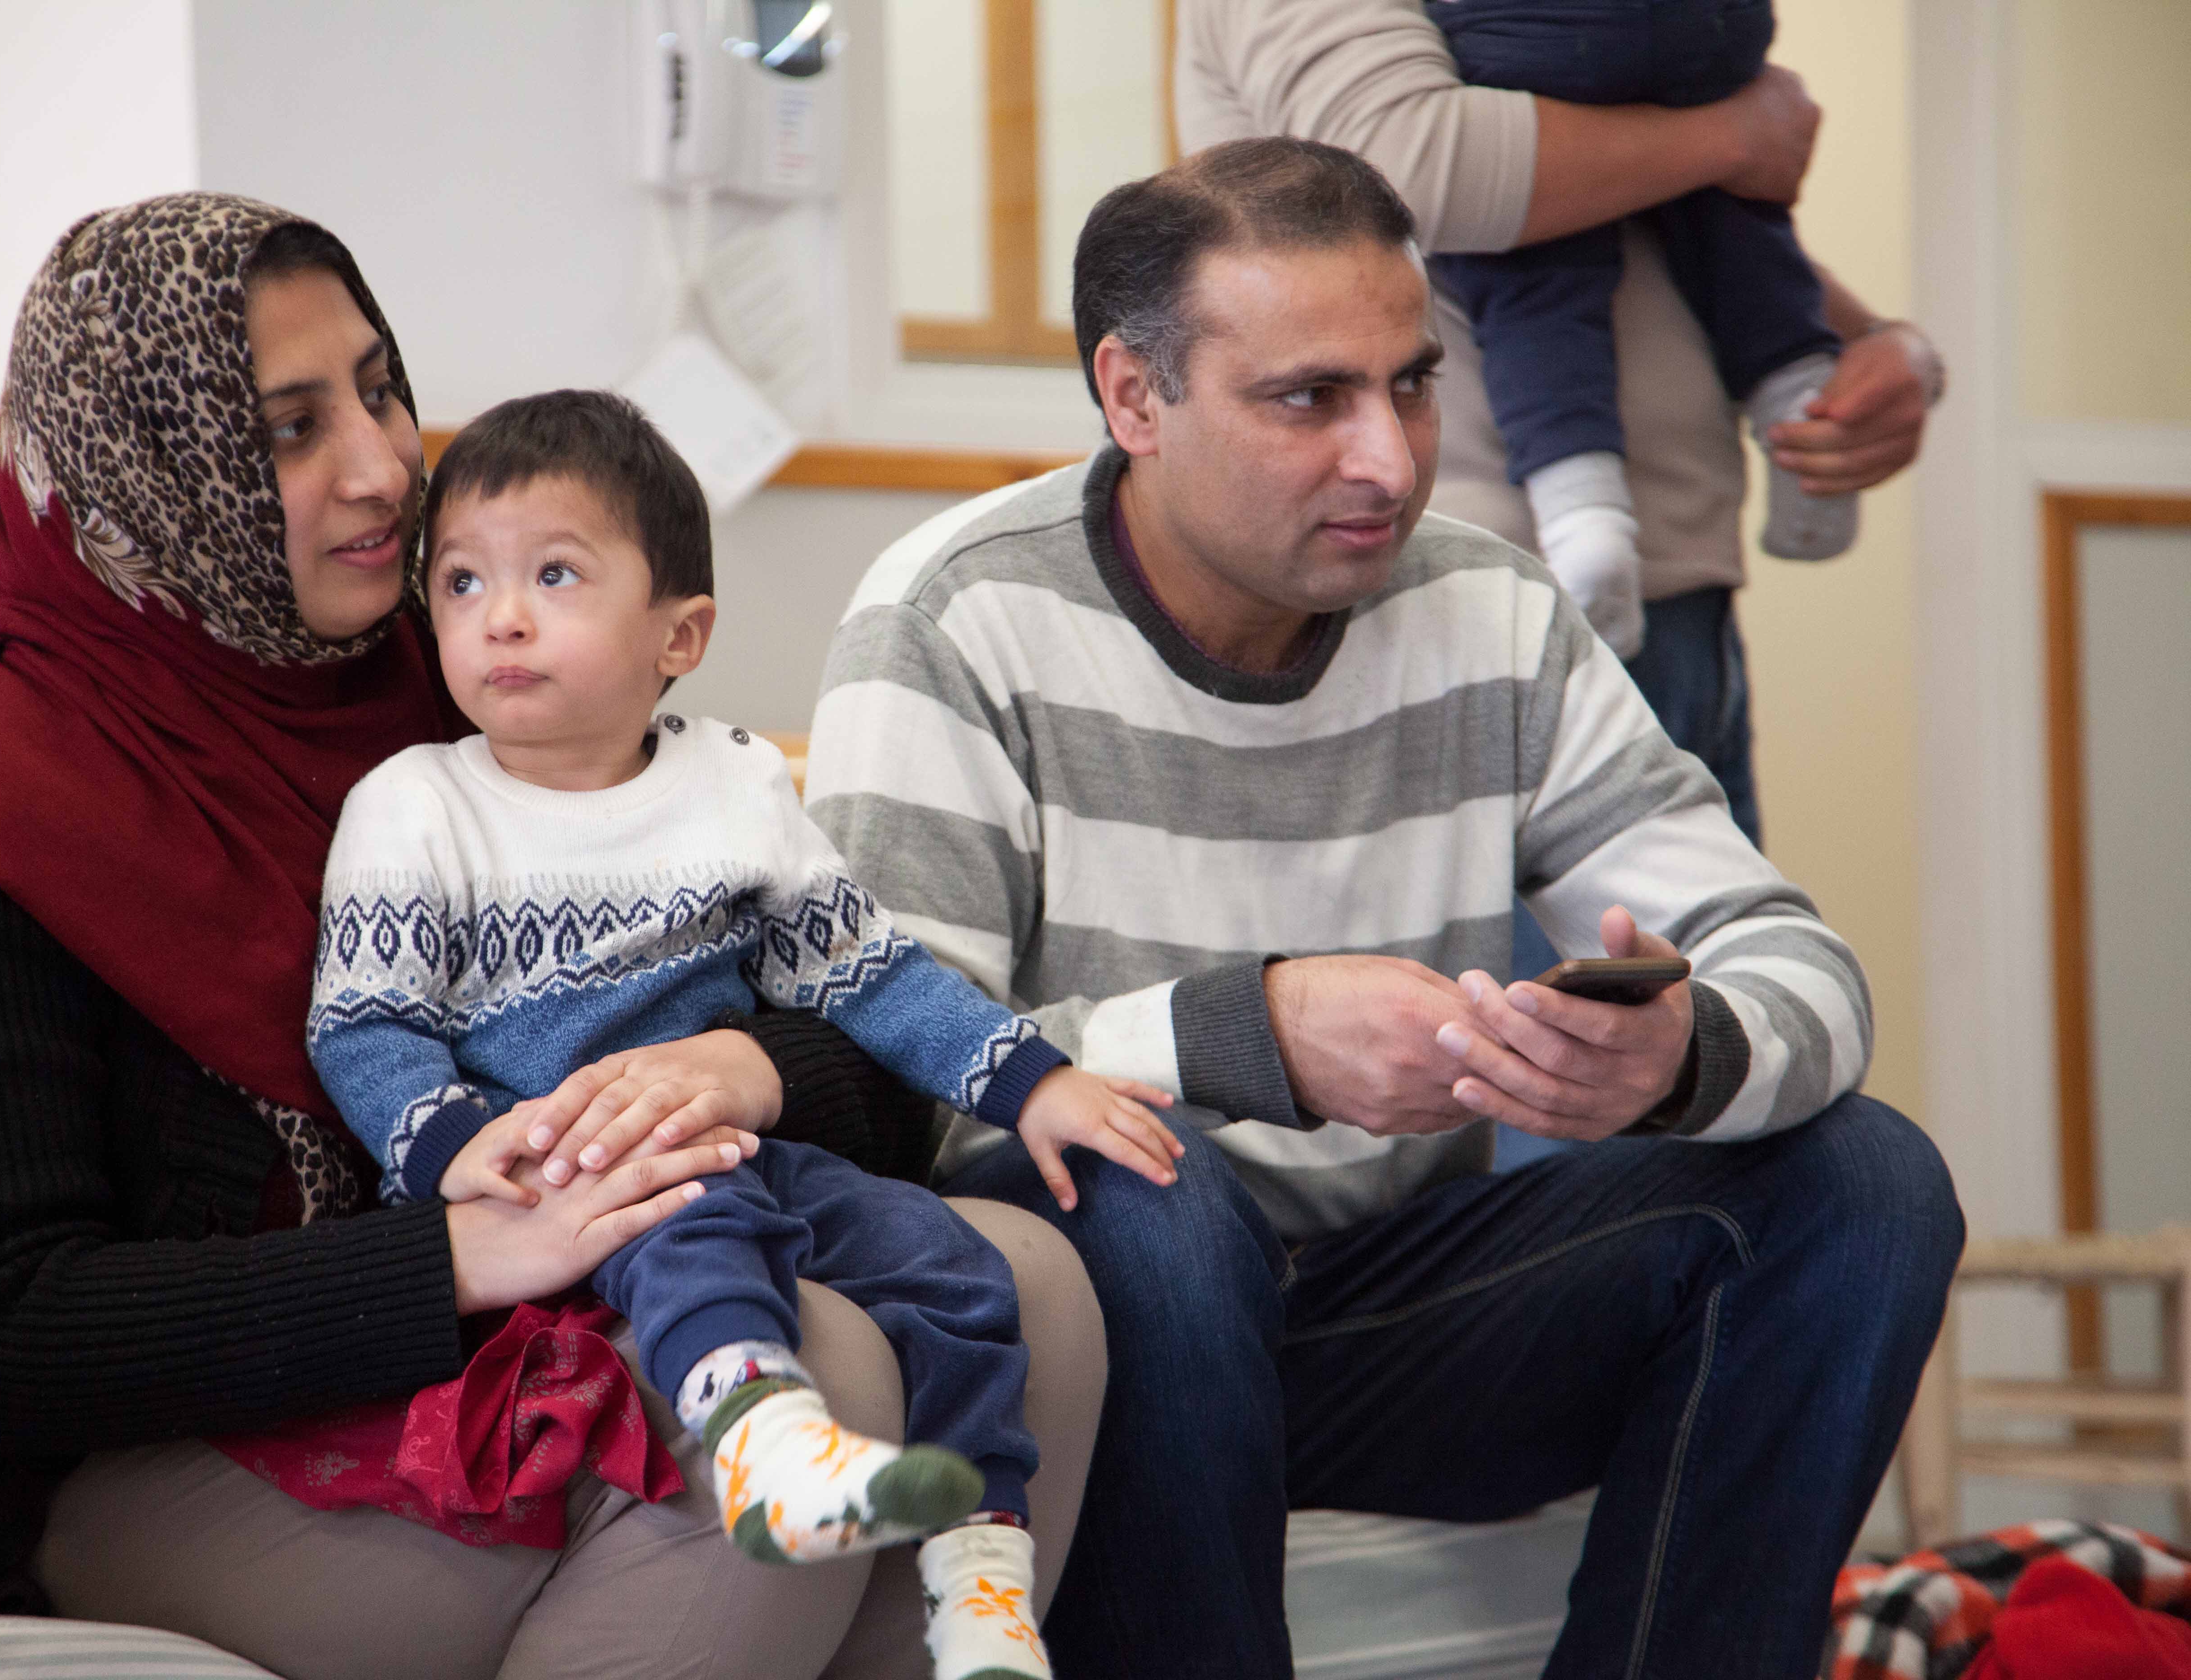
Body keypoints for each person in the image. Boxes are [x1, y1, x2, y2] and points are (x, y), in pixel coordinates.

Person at [0, 192, 1104, 1680]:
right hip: (118, 1452)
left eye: (381, 390)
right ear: (152, 469)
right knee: (812, 1372)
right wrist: (460, 1251)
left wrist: (747, 1071)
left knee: (1032, 1284)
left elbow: (846, 1008)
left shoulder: (474, 680)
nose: (384, 465)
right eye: (291, 428)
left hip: (533, 1305)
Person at [806, 140, 1963, 1679]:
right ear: (1133, 397)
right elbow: (879, 1097)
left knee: (1866, 1180)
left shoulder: (1491, 610)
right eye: (1310, 399)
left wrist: (1678, 1054)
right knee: (1144, 1194)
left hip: (1393, 1317)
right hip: (1087, 1328)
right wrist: (1243, 1034)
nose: (1391, 462)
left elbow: (1797, 961)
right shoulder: (956, 616)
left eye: (1411, 386)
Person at [303, 390, 1183, 1680]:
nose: (501, 617)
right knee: (695, 1214)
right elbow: (364, 1023)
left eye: (555, 575)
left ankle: (980, 1578)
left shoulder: (734, 785)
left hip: (731, 1151)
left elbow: (872, 977)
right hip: (552, 1177)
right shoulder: (415, 806)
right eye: (461, 582)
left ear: (681, 633)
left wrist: (1034, 1084)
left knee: (952, 1266)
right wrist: (455, 1147)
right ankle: (766, 1444)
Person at [1177, 0, 1946, 848]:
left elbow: (1656, 220)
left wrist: (1877, 343)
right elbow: (1401, 165)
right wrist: (1733, 133)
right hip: (1459, 606)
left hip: (1675, 597)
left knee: (1711, 935)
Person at [1429, 0, 1854, 658]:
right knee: (1731, 208)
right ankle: (1799, 396)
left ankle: (1584, 515)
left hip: (1537, 34)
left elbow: (1445, 170)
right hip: (1712, 23)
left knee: (1533, 260)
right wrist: (1737, 133)